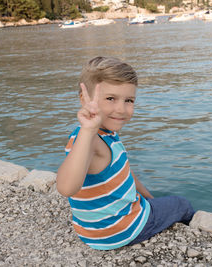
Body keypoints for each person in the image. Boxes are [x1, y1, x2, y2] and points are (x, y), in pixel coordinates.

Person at [56, 56, 195, 250]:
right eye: (110, 98)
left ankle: (149, 207)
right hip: (120, 232)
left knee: (152, 203)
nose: (121, 109)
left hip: (90, 233)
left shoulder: (93, 135)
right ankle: (192, 231)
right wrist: (88, 129)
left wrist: (150, 199)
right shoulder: (92, 140)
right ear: (83, 98)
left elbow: (125, 174)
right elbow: (66, 187)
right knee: (182, 204)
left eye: (129, 100)